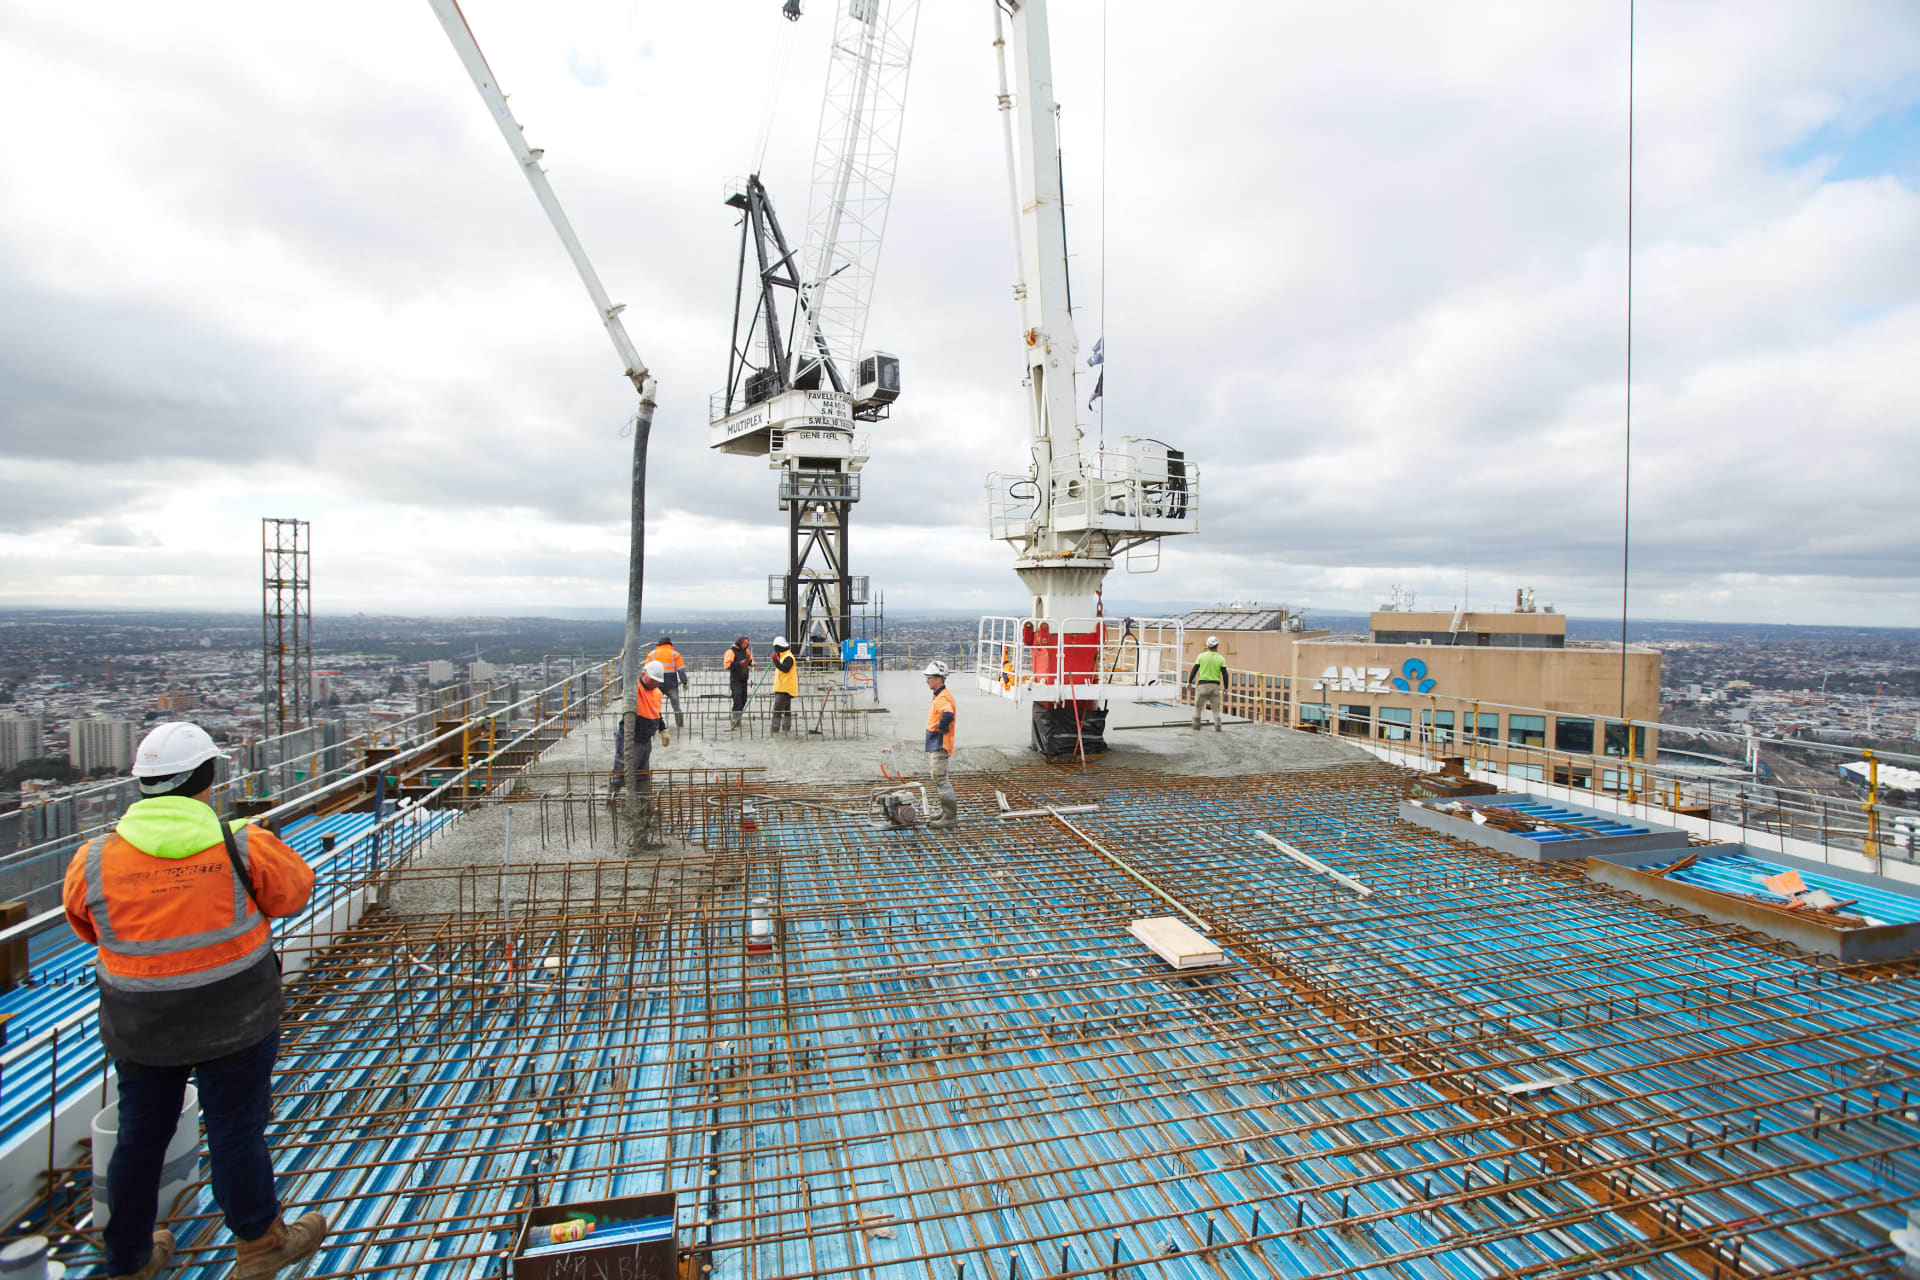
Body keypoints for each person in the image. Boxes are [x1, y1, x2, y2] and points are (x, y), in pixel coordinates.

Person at [63, 723, 326, 1280]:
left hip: (142, 1027)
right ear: (209, 778)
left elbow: (90, 927)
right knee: (235, 1132)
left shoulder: (93, 859)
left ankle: (129, 1259)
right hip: (236, 1021)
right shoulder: (241, 844)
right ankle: (259, 1245)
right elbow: (294, 892)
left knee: (140, 1136)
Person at [611, 659, 668, 796]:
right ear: (644, 674)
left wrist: (662, 729)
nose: (655, 683)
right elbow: (625, 680)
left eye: (657, 681)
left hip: (646, 739)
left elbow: (656, 713)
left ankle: (643, 802)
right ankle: (612, 798)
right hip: (630, 738)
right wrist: (625, 661)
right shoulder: (634, 688)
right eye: (653, 679)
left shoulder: (657, 693)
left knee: (643, 773)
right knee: (622, 771)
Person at [923, 661, 959, 828]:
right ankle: (945, 812)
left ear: (939, 679)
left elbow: (948, 714)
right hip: (936, 741)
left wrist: (942, 729)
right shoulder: (938, 695)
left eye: (929, 678)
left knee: (940, 778)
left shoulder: (943, 696)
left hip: (940, 743)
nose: (927, 681)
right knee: (937, 777)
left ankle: (950, 817)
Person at [647, 635, 687, 729]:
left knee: (654, 706)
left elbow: (647, 671)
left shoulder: (652, 654)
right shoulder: (675, 654)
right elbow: (681, 670)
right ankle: (680, 726)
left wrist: (646, 686)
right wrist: (684, 682)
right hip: (671, 684)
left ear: (659, 644)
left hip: (656, 685)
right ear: (670, 644)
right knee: (676, 706)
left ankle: (655, 726)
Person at [1190, 635, 1229, 732]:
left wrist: (1189, 682)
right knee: (1216, 710)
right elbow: (1225, 674)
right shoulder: (1221, 658)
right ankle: (1218, 727)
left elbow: (1194, 670)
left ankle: (1196, 728)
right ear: (1217, 646)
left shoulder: (1201, 656)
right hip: (1215, 687)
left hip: (1202, 686)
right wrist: (1226, 687)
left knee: (1198, 709)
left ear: (1207, 646)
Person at [722, 635, 754, 729]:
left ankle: (738, 720)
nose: (745, 645)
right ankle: (734, 722)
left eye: (746, 644)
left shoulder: (746, 651)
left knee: (744, 700)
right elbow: (728, 666)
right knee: (737, 701)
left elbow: (750, 661)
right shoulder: (730, 652)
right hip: (735, 680)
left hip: (744, 680)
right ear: (739, 642)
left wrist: (752, 663)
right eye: (744, 643)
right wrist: (740, 663)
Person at [770, 636, 798, 733]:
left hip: (785, 689)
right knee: (786, 711)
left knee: (777, 711)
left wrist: (775, 662)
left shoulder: (788, 657)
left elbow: (785, 669)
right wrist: (777, 660)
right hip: (783, 688)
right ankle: (786, 730)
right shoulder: (783, 657)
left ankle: (774, 730)